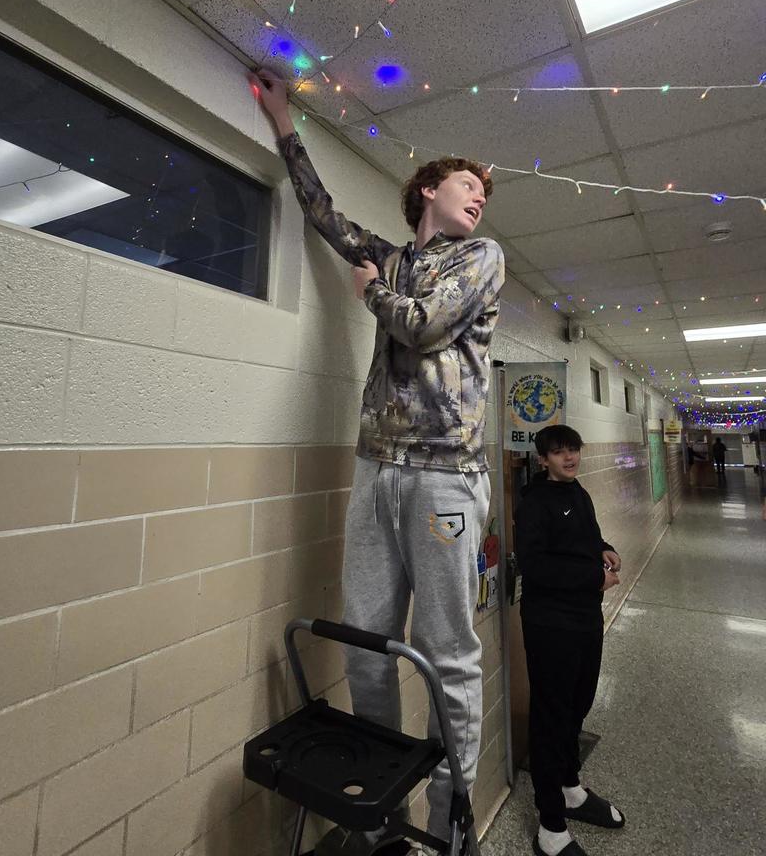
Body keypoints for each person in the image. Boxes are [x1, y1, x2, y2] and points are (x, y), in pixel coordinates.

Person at [249, 70, 505, 851]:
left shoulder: (481, 256)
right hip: (376, 469)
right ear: (427, 190)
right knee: (366, 646)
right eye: (467, 185)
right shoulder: (390, 257)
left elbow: (422, 327)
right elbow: (321, 213)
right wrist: (283, 120)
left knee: (448, 656)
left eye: (483, 192)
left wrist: (368, 295)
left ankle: (450, 820)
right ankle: (385, 821)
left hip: (445, 477)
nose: (480, 197)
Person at [515, 425, 625, 856]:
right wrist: (593, 578)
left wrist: (603, 547)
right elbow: (535, 566)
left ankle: (569, 787)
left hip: (584, 618)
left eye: (573, 449)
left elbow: (581, 539)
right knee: (551, 716)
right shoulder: (533, 502)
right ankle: (550, 825)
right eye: (559, 452)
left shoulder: (578, 493)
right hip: (550, 624)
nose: (569, 457)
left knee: (578, 704)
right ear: (543, 459)